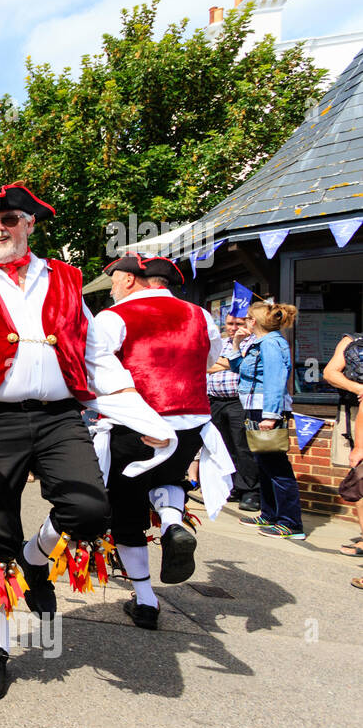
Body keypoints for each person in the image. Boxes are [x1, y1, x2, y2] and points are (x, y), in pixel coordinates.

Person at [0, 183, 171, 701]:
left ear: (29, 223)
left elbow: (96, 356)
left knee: (91, 509)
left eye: (8, 219)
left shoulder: (67, 280)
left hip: (58, 416)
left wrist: (142, 415)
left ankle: (36, 558)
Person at [94, 254, 229, 630]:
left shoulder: (113, 317)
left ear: (133, 280)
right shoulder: (200, 315)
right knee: (168, 479)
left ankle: (146, 600)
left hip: (136, 424)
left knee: (126, 509)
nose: (114, 289)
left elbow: (95, 367)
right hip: (191, 423)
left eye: (115, 281)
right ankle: (172, 523)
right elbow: (209, 359)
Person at [228, 302, 305, 539]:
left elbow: (275, 379)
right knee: (264, 465)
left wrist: (271, 416)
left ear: (255, 321)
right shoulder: (259, 343)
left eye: (248, 318)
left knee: (277, 467)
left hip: (266, 409)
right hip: (255, 407)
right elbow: (240, 369)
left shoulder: (271, 343)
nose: (244, 322)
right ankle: (270, 514)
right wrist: (236, 344)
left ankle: (291, 524)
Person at [208, 311, 260, 511]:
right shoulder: (220, 343)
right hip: (216, 400)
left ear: (249, 322)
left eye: (238, 323)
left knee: (243, 446)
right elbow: (205, 365)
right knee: (224, 447)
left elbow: (244, 366)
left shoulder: (254, 343)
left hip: (239, 401)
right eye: (229, 323)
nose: (233, 327)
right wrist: (230, 363)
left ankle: (250, 491)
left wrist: (227, 363)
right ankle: (233, 486)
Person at [324, 333, 363, 566]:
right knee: (358, 477)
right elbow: (330, 373)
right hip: (352, 413)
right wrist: (359, 388)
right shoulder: (352, 340)